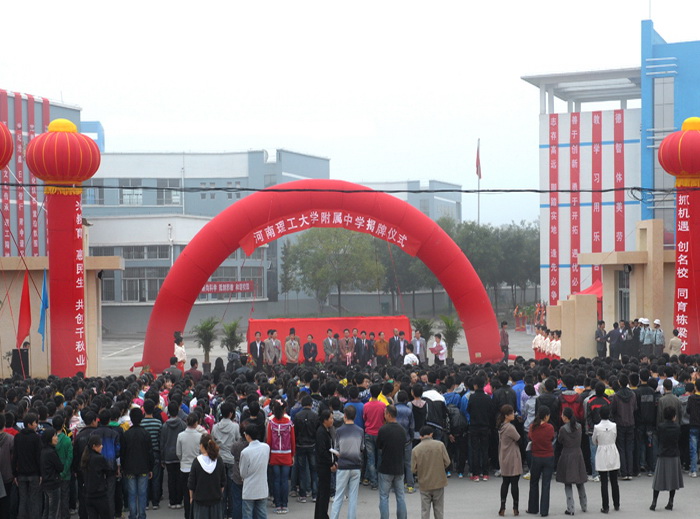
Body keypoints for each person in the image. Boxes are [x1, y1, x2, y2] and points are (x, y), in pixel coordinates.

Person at [330, 406, 364, 519]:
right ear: (355, 416)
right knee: (353, 497)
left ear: (344, 416)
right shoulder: (360, 431)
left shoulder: (339, 431)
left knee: (338, 495)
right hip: (356, 466)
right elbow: (362, 448)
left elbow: (337, 449)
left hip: (343, 465)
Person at [122, 407, 154, 519]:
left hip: (129, 468)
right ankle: (142, 515)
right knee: (142, 493)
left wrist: (123, 467)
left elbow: (123, 453)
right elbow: (150, 452)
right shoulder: (146, 434)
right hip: (144, 467)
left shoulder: (126, 434)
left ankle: (132, 515)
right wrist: (150, 468)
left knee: (131, 494)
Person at [411, 425, 450, 519]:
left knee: (425, 510)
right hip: (438, 481)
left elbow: (413, 469)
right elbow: (447, 462)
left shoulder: (415, 450)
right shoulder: (440, 445)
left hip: (424, 483)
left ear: (420, 436)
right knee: (439, 510)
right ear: (431, 434)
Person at [650, 406, 683, 511]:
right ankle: (671, 501)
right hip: (674, 454)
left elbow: (658, 438)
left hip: (663, 454)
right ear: (674, 416)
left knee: (658, 480)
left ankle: (654, 502)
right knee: (673, 480)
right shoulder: (677, 427)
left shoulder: (661, 427)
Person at [377, 405, 407, 519]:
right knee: (400, 497)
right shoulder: (402, 430)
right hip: (399, 467)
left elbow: (379, 446)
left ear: (388, 415)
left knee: (384, 497)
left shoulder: (383, 430)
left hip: (385, 467)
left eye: (385, 413)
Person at [556, 407, 587, 516]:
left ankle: (571, 508)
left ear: (565, 417)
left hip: (567, 454)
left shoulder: (563, 429)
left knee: (568, 482)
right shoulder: (579, 426)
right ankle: (584, 505)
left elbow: (560, 440)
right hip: (578, 454)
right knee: (580, 481)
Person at [212, 402, 240, 518]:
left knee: (221, 487)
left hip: (220, 459)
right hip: (232, 459)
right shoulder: (235, 426)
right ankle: (231, 513)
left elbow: (212, 442)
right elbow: (238, 440)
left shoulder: (215, 427)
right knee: (232, 488)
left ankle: (222, 513)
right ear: (231, 413)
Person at [12, 411, 43, 519]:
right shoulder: (36, 438)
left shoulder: (18, 437)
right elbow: (38, 457)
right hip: (34, 473)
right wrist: (41, 473)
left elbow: (15, 456)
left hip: (21, 473)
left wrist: (14, 474)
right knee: (34, 500)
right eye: (35, 422)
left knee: (23, 499)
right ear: (29, 424)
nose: (37, 425)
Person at [188, 434, 226, 519]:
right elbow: (223, 482)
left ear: (202, 446)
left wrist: (191, 497)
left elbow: (191, 483)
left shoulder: (197, 461)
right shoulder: (219, 460)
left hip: (200, 502)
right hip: (215, 501)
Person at [267, 400, 295, 514]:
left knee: (276, 480)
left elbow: (269, 440)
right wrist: (293, 454)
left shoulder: (271, 423)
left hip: (274, 454)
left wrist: (269, 455)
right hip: (286, 453)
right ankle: (285, 504)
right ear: (284, 409)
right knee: (284, 480)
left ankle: (277, 504)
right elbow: (293, 440)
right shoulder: (289, 423)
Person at [527, 405, 555, 517]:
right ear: (546, 416)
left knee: (534, 482)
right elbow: (551, 438)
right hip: (548, 456)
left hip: (536, 456)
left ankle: (533, 508)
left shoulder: (532, 427)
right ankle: (544, 510)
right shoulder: (550, 427)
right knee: (546, 484)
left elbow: (530, 438)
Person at [593, 406, 620, 513]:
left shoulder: (597, 427)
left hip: (602, 452)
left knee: (604, 482)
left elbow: (594, 440)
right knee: (614, 480)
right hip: (612, 450)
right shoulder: (614, 426)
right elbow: (615, 437)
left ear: (600, 415)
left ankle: (605, 506)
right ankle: (616, 504)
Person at [240, 424, 269, 519]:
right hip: (262, 488)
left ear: (248, 436)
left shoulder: (245, 452)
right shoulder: (266, 447)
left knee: (247, 515)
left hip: (249, 489)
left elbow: (243, 473)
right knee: (262, 514)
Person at [161, 401, 187, 510]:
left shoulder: (164, 426)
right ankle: (179, 501)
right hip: (180, 455)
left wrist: (162, 458)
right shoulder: (182, 424)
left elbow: (162, 443)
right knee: (179, 479)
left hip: (168, 455)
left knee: (171, 479)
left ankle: (172, 501)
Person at [497, 404, 521, 517]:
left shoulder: (501, 427)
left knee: (505, 482)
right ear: (506, 415)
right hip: (512, 456)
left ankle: (502, 506)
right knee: (514, 483)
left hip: (504, 456)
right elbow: (519, 439)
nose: (513, 415)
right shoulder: (510, 427)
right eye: (511, 413)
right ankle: (515, 507)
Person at [177, 413, 203, 519]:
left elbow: (178, 453)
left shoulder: (180, 436)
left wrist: (183, 460)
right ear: (196, 422)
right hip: (197, 468)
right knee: (196, 494)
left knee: (186, 494)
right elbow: (201, 452)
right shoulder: (200, 436)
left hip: (184, 467)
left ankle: (187, 515)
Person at [81, 435, 111, 519]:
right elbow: (108, 471)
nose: (102, 446)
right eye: (100, 444)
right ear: (94, 446)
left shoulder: (85, 458)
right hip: (100, 494)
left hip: (88, 494)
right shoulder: (99, 458)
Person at [315, 409, 337, 519]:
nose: (332, 420)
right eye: (331, 418)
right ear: (325, 420)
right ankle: (322, 515)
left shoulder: (325, 431)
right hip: (323, 465)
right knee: (324, 492)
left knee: (323, 492)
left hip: (324, 464)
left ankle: (321, 514)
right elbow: (322, 451)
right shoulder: (321, 432)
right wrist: (331, 463)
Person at [40, 427, 63, 519]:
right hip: (53, 483)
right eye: (54, 436)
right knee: (53, 511)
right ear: (49, 438)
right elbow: (60, 467)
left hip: (46, 483)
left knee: (47, 509)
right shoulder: (51, 452)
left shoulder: (43, 451)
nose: (56, 438)